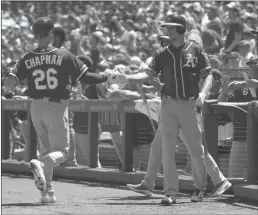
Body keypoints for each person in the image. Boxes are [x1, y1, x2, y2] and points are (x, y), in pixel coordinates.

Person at [3, 17, 115, 204]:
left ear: (35, 34)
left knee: (48, 150)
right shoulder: (64, 54)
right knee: (61, 153)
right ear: (52, 33)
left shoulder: (27, 56)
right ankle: (39, 163)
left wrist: (10, 81)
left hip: (36, 107)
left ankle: (48, 192)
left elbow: (8, 84)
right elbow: (86, 77)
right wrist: (105, 76)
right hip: (56, 105)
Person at [108, 14, 213, 205]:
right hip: (168, 104)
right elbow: (147, 75)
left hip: (189, 104)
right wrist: (125, 79)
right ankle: (170, 192)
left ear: (181, 28)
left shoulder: (196, 49)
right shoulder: (161, 53)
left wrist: (204, 94)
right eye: (167, 27)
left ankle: (200, 187)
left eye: (172, 27)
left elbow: (208, 75)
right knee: (167, 150)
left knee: (196, 151)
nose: (168, 31)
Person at [126, 69, 232, 198]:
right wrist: (150, 88)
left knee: (197, 151)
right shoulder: (177, 66)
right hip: (172, 114)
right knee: (156, 147)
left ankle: (220, 180)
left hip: (185, 115)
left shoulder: (192, 74)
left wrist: (158, 88)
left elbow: (182, 94)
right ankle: (148, 184)